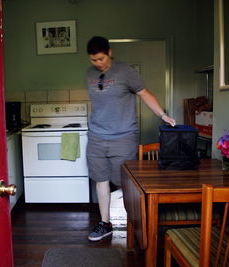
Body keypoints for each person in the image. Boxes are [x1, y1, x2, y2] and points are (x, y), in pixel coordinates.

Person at [85, 36, 176, 241]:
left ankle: (136, 223)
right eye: (93, 60)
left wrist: (163, 115)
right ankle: (105, 223)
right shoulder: (89, 74)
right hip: (96, 136)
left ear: (108, 52)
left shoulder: (126, 71)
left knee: (124, 182)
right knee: (100, 180)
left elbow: (145, 94)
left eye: (100, 58)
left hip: (123, 136)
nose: (97, 63)